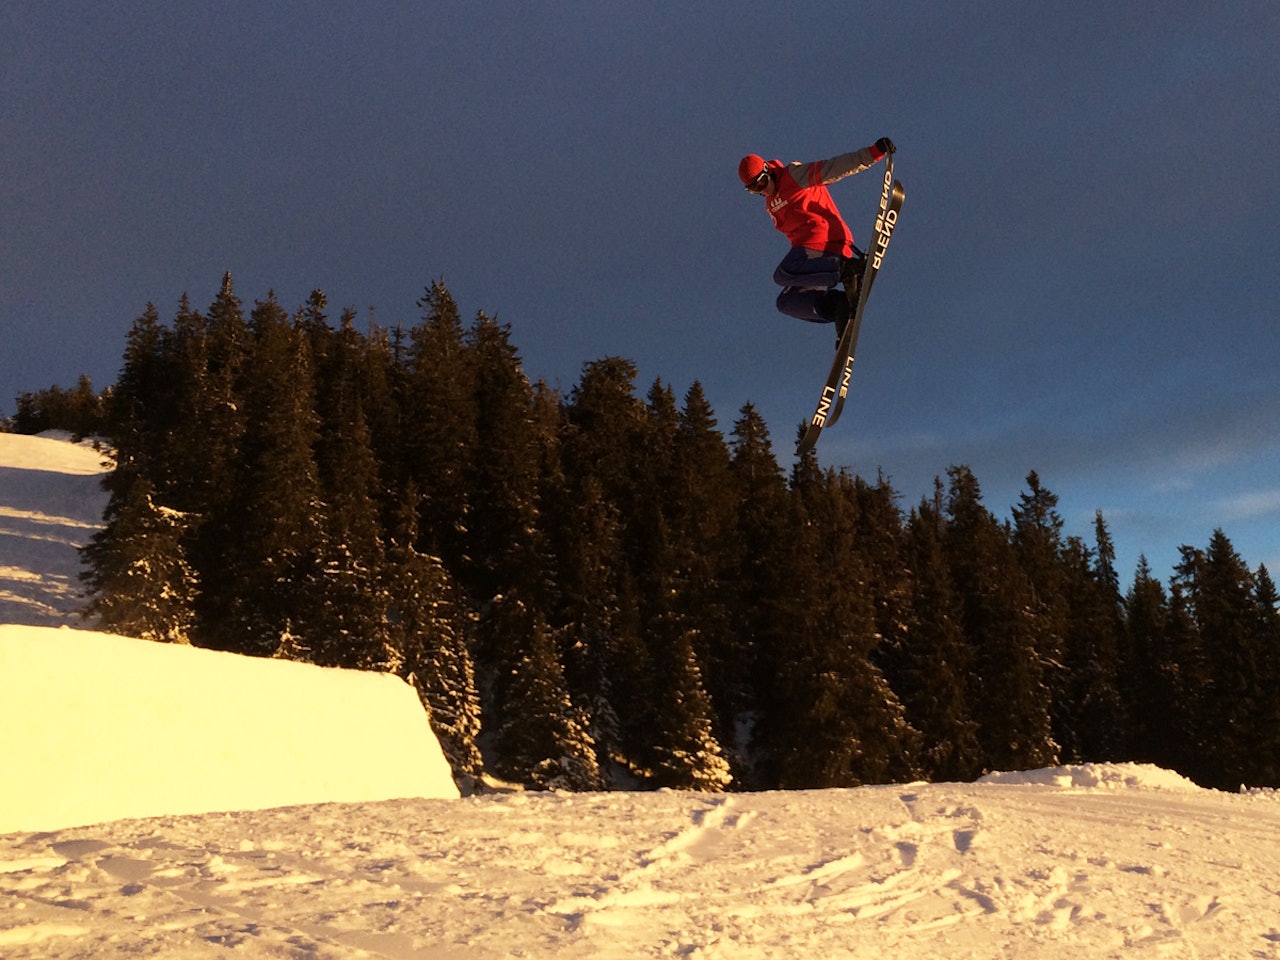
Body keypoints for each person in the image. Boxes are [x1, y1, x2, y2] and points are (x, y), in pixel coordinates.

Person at [740, 138, 895, 337]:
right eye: (754, 189)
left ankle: (846, 269)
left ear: (767, 170)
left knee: (782, 274)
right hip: (813, 258)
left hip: (827, 242)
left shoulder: (793, 175)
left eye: (762, 182)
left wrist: (874, 153)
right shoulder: (770, 203)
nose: (762, 189)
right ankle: (838, 308)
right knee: (786, 302)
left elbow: (834, 168)